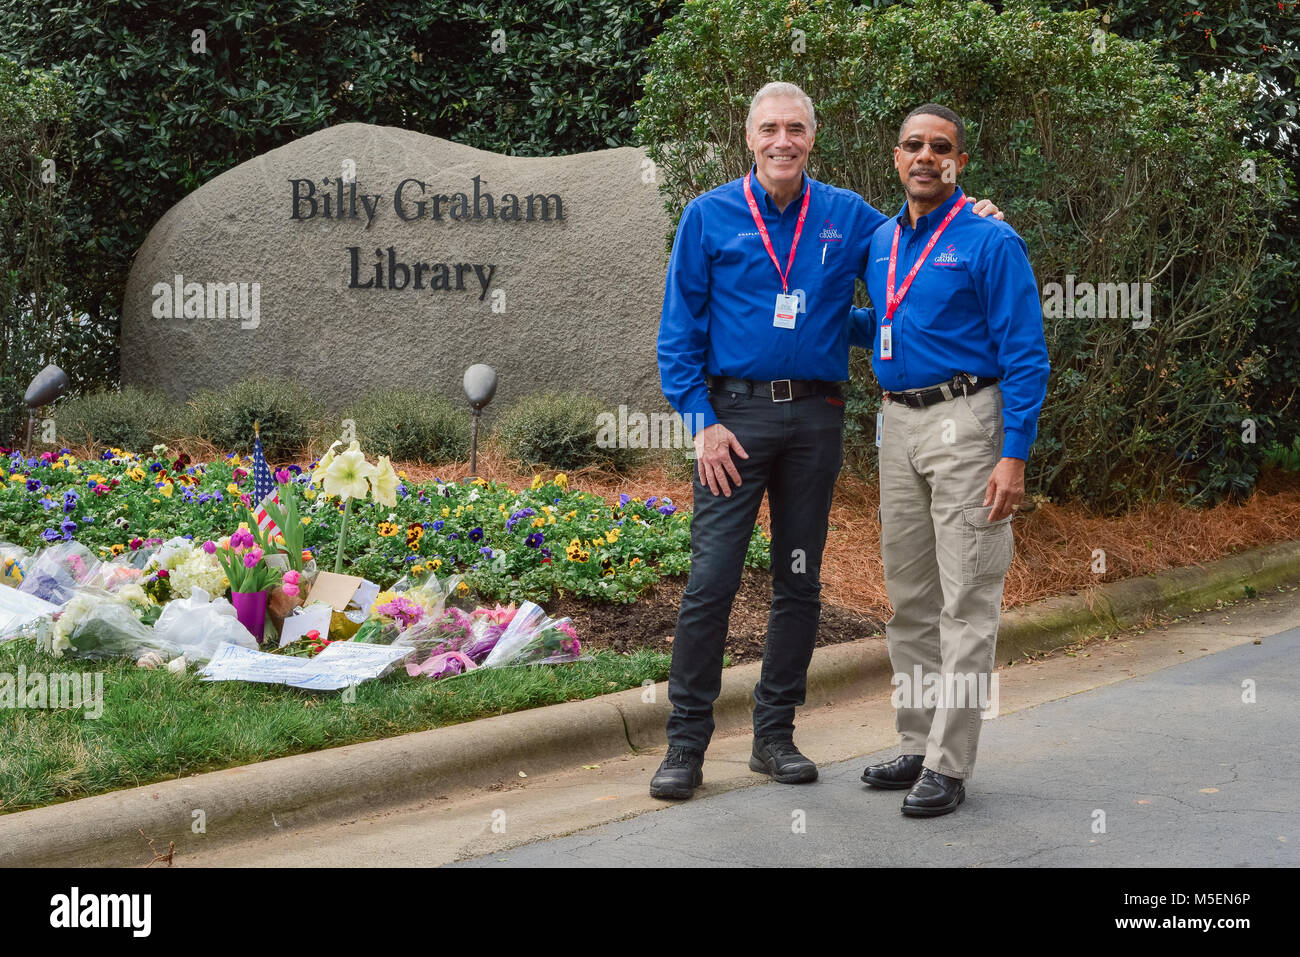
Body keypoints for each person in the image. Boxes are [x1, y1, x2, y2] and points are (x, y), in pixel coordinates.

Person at [651, 83, 1001, 801]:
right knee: (711, 581)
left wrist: (978, 221)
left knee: (799, 580)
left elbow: (919, 243)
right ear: (749, 138)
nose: (784, 140)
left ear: (813, 138)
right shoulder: (708, 216)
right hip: (732, 423)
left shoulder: (848, 217)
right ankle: (685, 742)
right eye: (771, 129)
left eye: (797, 129)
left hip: (814, 421)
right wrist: (700, 420)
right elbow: (677, 333)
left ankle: (774, 736)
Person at [852, 104, 1050, 816]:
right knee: (909, 601)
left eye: (941, 147)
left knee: (967, 600)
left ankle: (950, 762)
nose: (926, 157)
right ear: (896, 157)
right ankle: (916, 741)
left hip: (968, 422)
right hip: (897, 424)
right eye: (914, 146)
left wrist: (1013, 456)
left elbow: (1027, 353)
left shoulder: (991, 241)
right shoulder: (880, 241)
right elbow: (884, 320)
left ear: (959, 162)